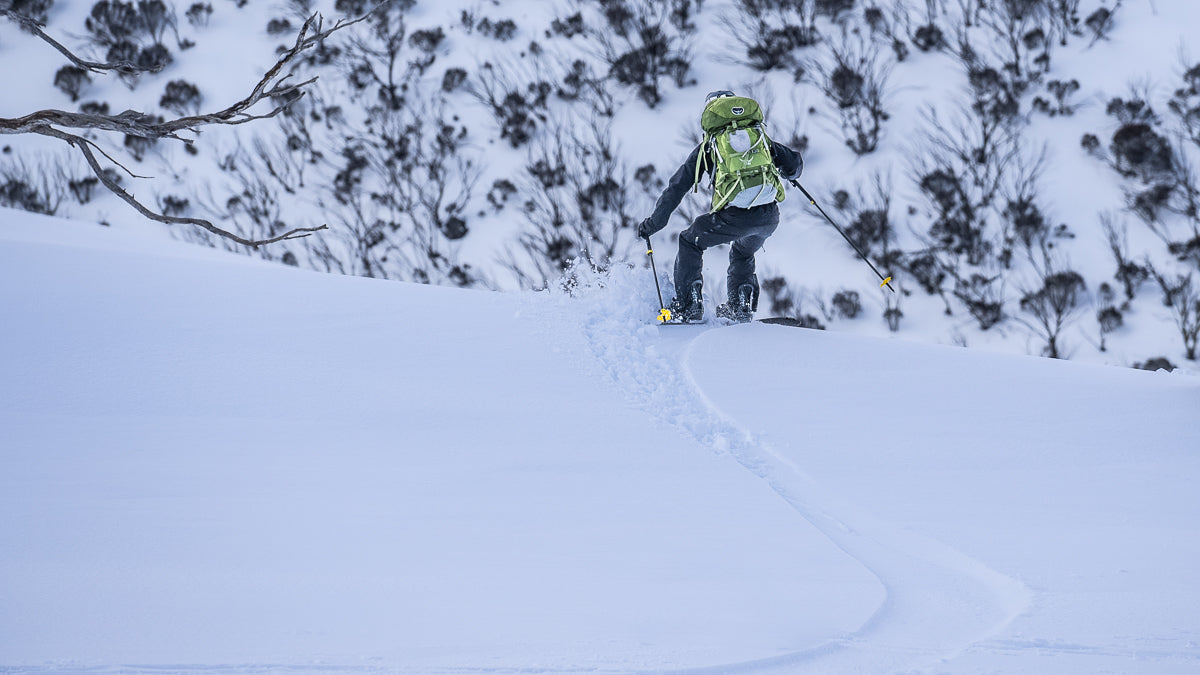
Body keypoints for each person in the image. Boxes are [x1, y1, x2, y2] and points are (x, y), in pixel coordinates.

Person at [637, 90, 804, 322]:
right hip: (768, 217)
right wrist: (788, 172)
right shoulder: (760, 139)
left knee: (690, 240)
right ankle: (741, 307)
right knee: (743, 252)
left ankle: (689, 305)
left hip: (734, 218)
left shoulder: (710, 146)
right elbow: (795, 164)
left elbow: (677, 188)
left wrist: (652, 224)